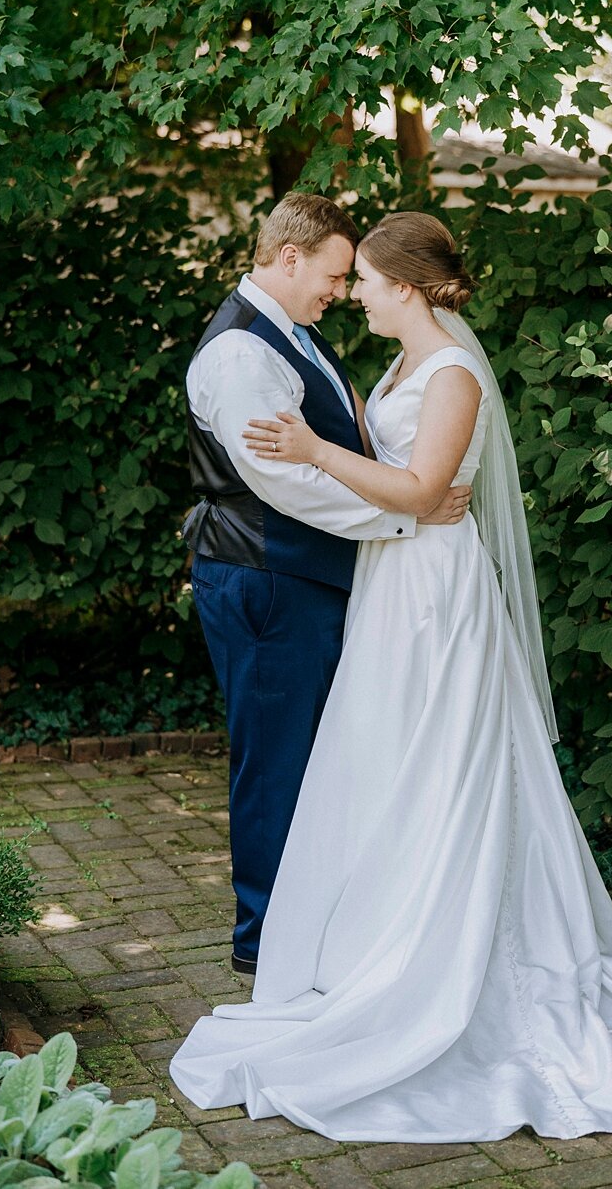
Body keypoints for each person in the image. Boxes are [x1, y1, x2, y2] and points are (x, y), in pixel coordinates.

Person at [170, 211, 612, 1142]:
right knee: (389, 761)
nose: (357, 297)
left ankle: (450, 954)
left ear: (408, 287)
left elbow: (420, 492)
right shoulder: (390, 367)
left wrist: (319, 453)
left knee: (444, 759)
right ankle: (376, 940)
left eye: (368, 283)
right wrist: (373, 485)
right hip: (394, 576)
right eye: (346, 280)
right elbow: (403, 483)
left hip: (431, 587)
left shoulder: (452, 373)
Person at [182, 194, 470, 976]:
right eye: (336, 276)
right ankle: (264, 942)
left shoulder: (291, 335)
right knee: (276, 758)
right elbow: (285, 481)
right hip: (266, 576)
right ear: (289, 258)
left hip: (302, 575)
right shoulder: (242, 352)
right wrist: (407, 518)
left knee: (314, 756)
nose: (340, 293)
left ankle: (311, 925)